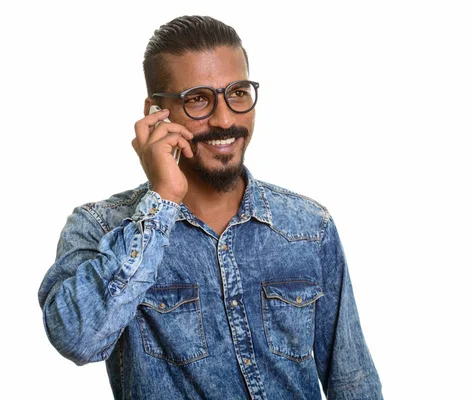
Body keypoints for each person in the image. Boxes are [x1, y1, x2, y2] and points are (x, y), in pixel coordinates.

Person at [38, 15, 382, 399]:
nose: (224, 119)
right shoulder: (102, 228)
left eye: (237, 92)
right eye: (198, 99)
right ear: (156, 114)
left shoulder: (308, 227)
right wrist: (163, 198)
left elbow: (352, 381)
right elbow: (77, 339)